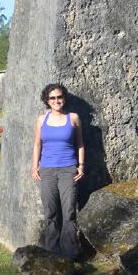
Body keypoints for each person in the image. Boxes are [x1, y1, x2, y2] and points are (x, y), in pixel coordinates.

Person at [32, 83, 83, 259]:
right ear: (47, 100)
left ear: (64, 98)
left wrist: (81, 165)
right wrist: (34, 167)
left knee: (69, 211)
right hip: (46, 170)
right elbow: (37, 144)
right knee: (51, 211)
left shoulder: (74, 118)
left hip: (68, 169)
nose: (56, 100)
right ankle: (52, 252)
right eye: (52, 98)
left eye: (59, 97)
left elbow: (80, 144)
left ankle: (70, 253)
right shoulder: (41, 120)